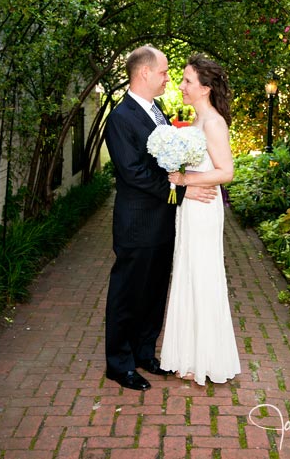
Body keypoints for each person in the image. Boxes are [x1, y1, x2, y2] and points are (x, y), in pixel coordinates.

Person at [103, 45, 217, 391]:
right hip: (137, 223)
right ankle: (119, 364)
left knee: (153, 292)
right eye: (165, 72)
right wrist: (183, 191)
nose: (169, 78)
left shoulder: (158, 110)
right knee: (127, 294)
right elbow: (134, 173)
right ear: (144, 74)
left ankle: (143, 352)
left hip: (163, 221)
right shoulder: (121, 118)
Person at [160, 54, 241, 385]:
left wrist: (183, 182)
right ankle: (187, 354)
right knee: (187, 270)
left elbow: (226, 172)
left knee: (203, 274)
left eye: (187, 81)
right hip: (190, 206)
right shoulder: (193, 122)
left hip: (205, 207)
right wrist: (175, 175)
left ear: (205, 88)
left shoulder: (213, 123)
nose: (181, 86)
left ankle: (207, 358)